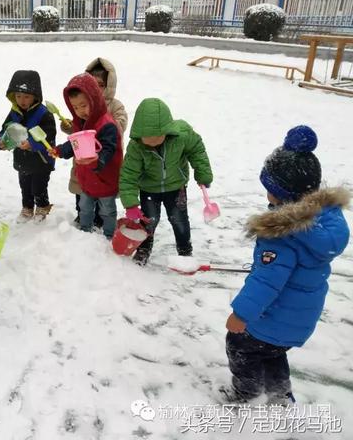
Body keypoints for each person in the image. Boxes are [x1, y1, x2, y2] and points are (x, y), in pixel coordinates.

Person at [224, 125, 349, 405]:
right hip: (298, 319)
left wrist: (241, 315)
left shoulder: (282, 233)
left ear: (283, 194)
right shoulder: (324, 222)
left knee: (241, 345)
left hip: (274, 316)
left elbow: (267, 282)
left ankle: (247, 396)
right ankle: (279, 396)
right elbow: (288, 269)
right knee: (273, 351)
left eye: (270, 189)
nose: (267, 194)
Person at [119, 98, 212, 265]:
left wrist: (203, 173)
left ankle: (185, 252)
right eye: (148, 139)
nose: (152, 143)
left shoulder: (182, 135)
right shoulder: (136, 146)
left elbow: (197, 150)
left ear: (167, 130)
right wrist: (130, 204)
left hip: (176, 186)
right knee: (148, 221)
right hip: (149, 189)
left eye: (157, 138)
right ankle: (143, 249)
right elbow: (128, 174)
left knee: (179, 219)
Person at [53, 73, 122, 239]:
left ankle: (108, 235)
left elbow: (109, 149)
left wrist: (99, 160)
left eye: (83, 105)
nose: (80, 111)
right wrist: (60, 151)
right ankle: (85, 232)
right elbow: (74, 144)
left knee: (107, 210)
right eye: (75, 107)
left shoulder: (107, 125)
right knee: (84, 207)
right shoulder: (81, 123)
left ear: (95, 100)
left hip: (104, 178)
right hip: (86, 178)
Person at [62, 58, 128, 226]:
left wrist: (103, 124)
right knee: (83, 192)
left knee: (104, 198)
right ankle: (83, 216)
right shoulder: (81, 104)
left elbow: (120, 125)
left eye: (100, 84)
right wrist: (70, 127)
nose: (97, 88)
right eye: (93, 83)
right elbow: (77, 132)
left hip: (104, 158)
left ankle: (101, 220)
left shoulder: (115, 105)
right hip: (84, 160)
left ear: (109, 85)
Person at [0, 70, 55, 222]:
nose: (22, 100)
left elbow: (49, 134)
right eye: (18, 96)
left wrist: (32, 144)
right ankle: (27, 207)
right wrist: (1, 141)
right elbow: (6, 128)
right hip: (22, 159)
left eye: (26, 96)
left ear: (35, 96)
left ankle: (42, 206)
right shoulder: (14, 112)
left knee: (38, 186)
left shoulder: (44, 113)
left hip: (41, 160)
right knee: (25, 186)